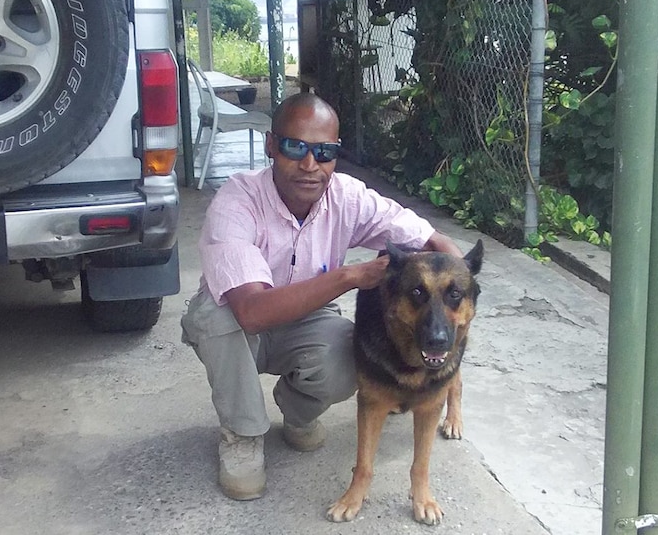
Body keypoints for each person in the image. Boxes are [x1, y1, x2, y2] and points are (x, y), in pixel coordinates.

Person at [180, 93, 463, 501]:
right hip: (241, 328)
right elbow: (252, 312)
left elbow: (431, 240)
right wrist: (350, 276)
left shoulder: (346, 196)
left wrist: (455, 298)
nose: (310, 165)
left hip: (307, 320)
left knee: (348, 357)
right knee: (216, 315)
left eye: (324, 152)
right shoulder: (236, 201)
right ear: (271, 145)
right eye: (295, 147)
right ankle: (242, 434)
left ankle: (298, 412)